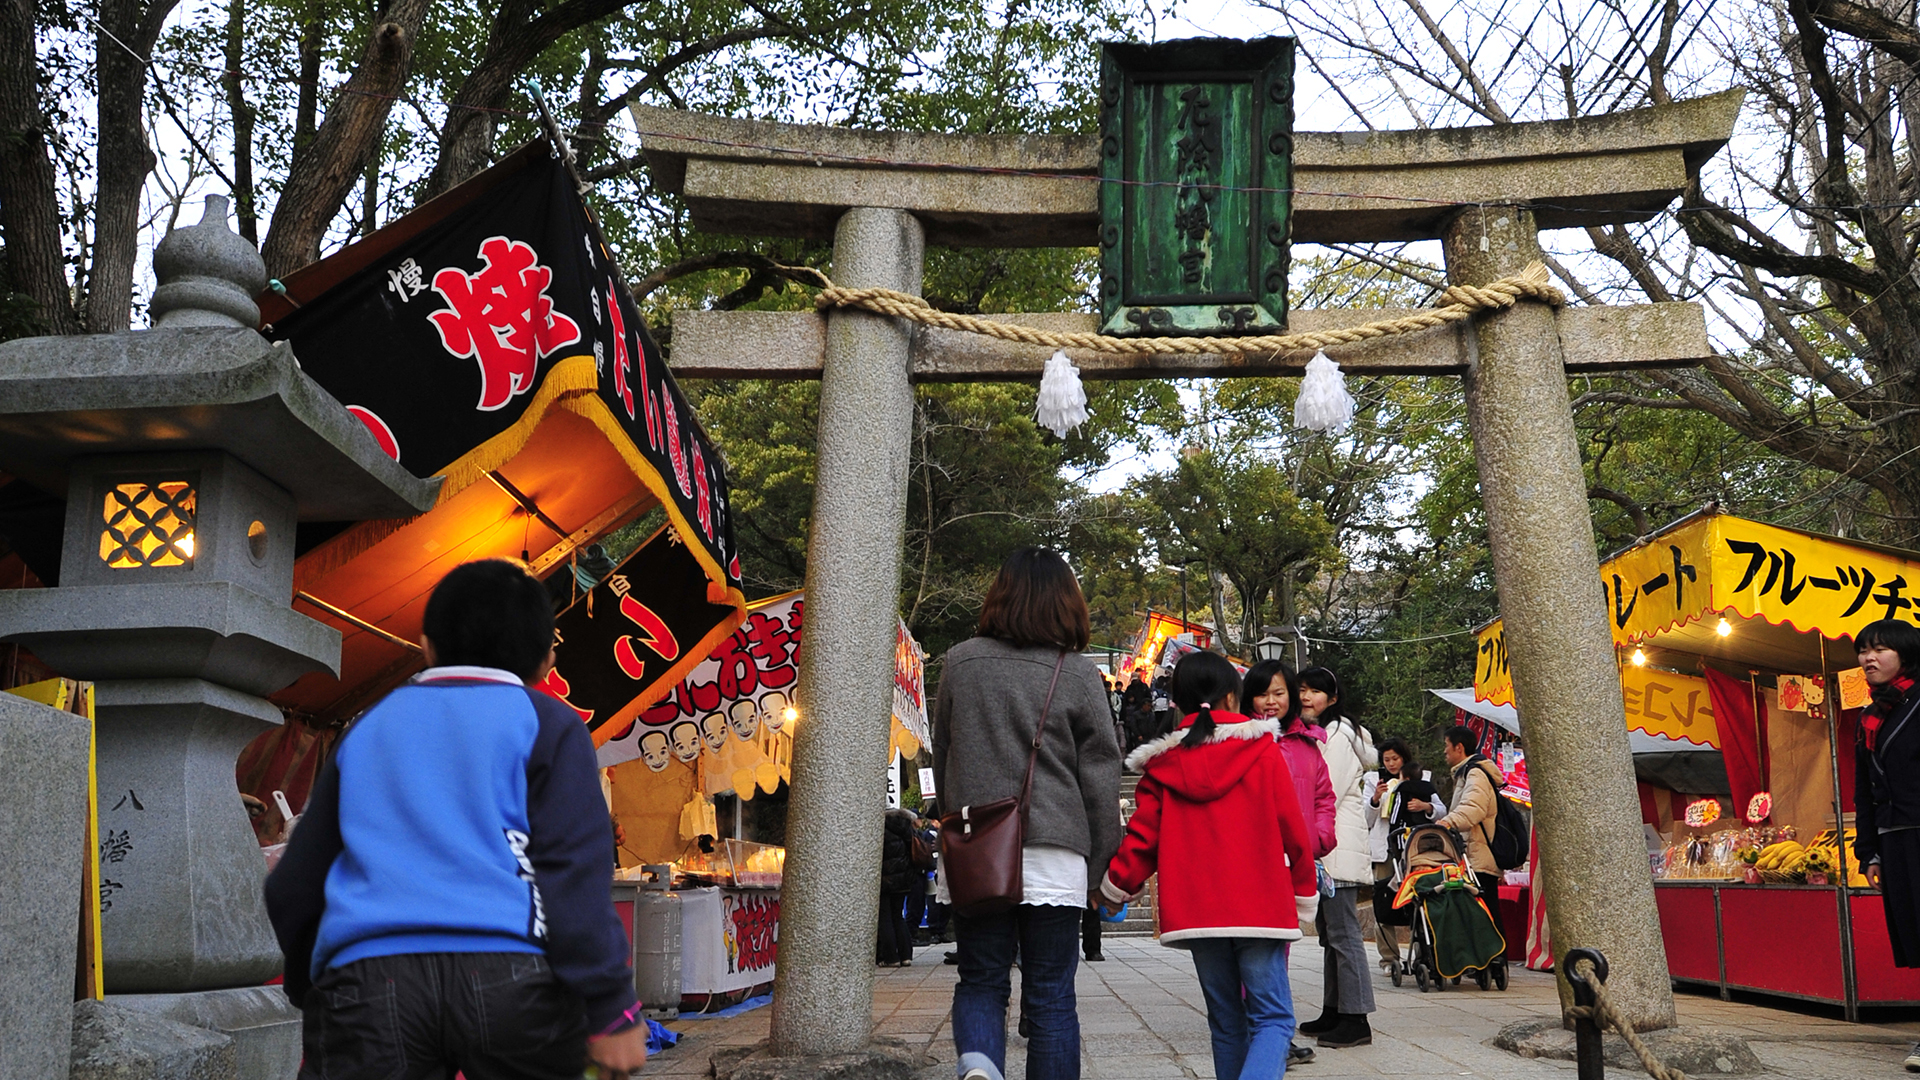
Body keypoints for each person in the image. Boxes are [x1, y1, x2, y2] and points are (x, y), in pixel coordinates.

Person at [265, 559, 648, 1080]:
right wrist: (611, 1006)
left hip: (368, 980)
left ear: (426, 646)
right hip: (512, 977)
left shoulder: (369, 728)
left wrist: (318, 980)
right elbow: (574, 877)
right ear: (544, 661)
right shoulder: (549, 724)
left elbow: (297, 879)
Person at [931, 547, 1123, 1080]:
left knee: (981, 980)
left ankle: (980, 1067)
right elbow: (1101, 778)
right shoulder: (1080, 673)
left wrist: (957, 827)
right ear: (1068, 603)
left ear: (1000, 595)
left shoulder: (961, 662)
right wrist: (1102, 862)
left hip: (980, 848)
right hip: (1056, 851)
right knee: (1052, 992)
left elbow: (943, 753)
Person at [1098, 652, 1319, 1080]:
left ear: (1176, 702)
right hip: (1260, 906)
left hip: (1199, 911)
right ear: (1234, 698)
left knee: (1226, 1022)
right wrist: (1303, 889)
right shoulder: (1263, 750)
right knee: (1273, 1020)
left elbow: (1142, 840)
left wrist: (1114, 886)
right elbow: (1294, 830)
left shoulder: (1161, 767)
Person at [1293, 666, 1376, 1050]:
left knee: (1344, 935)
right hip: (1328, 849)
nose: (1307, 697)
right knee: (1331, 935)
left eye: (1315, 691)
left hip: (1337, 850)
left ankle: (1356, 1018)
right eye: (1302, 690)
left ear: (1333, 697)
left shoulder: (1340, 736)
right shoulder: (1322, 733)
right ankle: (1334, 1009)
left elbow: (1325, 790)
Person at [1850, 619, 1920, 1074]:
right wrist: (1868, 850)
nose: (1868, 658)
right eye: (1863, 650)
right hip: (1896, 842)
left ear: (1905, 654)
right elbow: (1863, 789)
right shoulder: (1870, 715)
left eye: (1879, 649)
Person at [1366, 737, 1444, 974]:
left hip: (1414, 849)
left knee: (1422, 898)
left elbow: (1441, 809)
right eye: (1386, 759)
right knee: (1383, 902)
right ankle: (1389, 958)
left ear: (1404, 758)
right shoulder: (1373, 780)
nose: (1391, 764)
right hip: (1384, 851)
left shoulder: (1423, 778)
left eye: (1395, 759)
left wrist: (1426, 807)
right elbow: (1365, 819)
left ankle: (1424, 954)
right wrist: (1375, 800)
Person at [1436, 725, 1504, 901]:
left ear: (1459, 747)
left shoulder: (1475, 774)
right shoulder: (1467, 773)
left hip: (1478, 860)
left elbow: (1474, 807)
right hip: (1474, 859)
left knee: (1485, 917)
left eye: (1446, 745)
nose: (1445, 751)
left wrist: (1448, 822)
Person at [879, 807, 920, 967]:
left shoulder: (878, 826)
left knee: (885, 917)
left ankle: (891, 957)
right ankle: (906, 955)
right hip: (903, 878)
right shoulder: (905, 825)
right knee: (898, 915)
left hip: (884, 877)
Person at [1120, 670, 1155, 755]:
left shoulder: (1144, 687)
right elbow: (1125, 703)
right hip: (1132, 714)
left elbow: (1149, 697)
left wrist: (1146, 706)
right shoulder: (1129, 688)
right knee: (1130, 736)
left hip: (1143, 712)